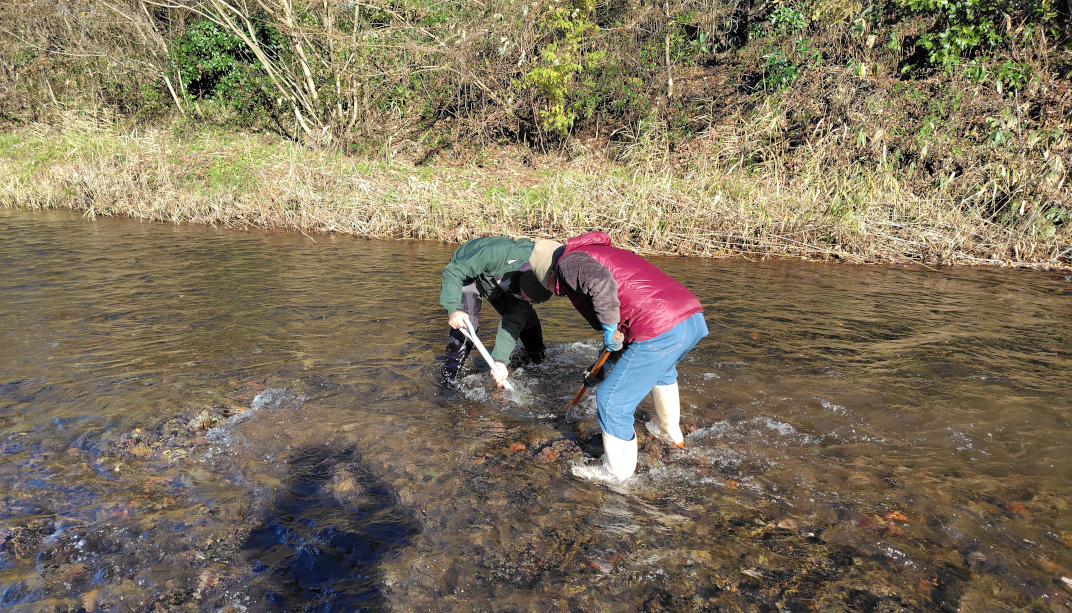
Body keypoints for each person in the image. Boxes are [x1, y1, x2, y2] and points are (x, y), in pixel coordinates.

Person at [529, 231, 707, 483]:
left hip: (660, 326)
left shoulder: (567, 263)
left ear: (547, 273)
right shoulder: (601, 254)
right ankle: (670, 433)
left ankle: (617, 474)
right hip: (690, 317)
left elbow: (602, 285)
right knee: (662, 370)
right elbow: (627, 326)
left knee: (611, 400)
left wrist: (610, 327)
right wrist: (601, 367)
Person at [439, 236, 558, 386]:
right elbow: (454, 271)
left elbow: (512, 323)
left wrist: (500, 360)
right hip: (468, 272)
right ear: (522, 286)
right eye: (527, 297)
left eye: (532, 301)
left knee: (527, 319)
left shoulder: (530, 289)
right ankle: (449, 376)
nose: (528, 302)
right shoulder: (495, 254)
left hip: (502, 283)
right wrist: (454, 308)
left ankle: (536, 361)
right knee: (467, 324)